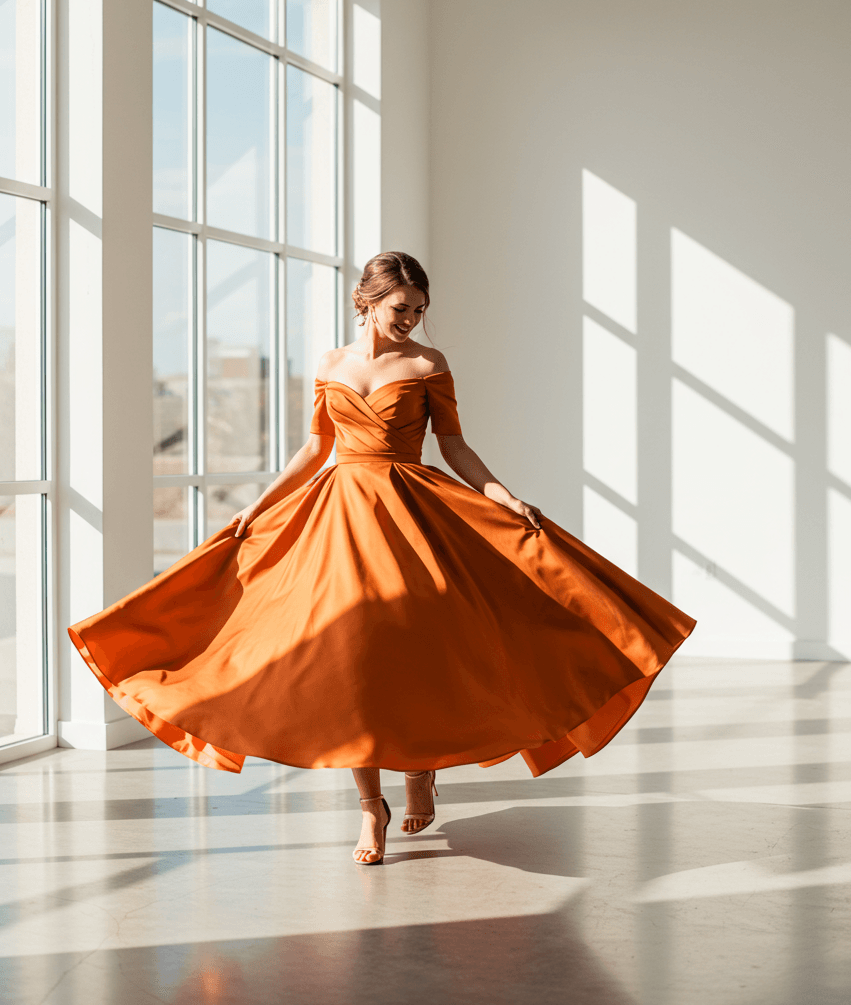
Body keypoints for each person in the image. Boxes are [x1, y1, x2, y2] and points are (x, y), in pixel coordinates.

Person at [68, 251, 695, 867]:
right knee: (352, 664)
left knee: (414, 651)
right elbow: (314, 452)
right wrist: (253, 510)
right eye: (401, 307)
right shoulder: (330, 364)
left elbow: (453, 445)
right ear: (367, 301)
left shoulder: (428, 363)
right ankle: (372, 805)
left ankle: (419, 771)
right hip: (339, 519)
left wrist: (502, 495)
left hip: (411, 514)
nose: (412, 319)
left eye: (421, 309)